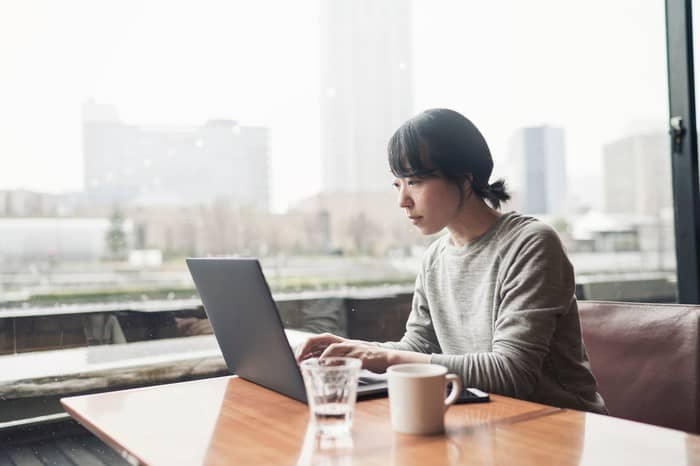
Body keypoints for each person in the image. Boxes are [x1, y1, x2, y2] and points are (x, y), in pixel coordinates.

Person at [296, 108, 607, 413]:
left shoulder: (531, 243)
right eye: (397, 184)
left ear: (465, 179)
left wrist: (385, 359)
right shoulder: (435, 258)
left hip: (558, 427)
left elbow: (512, 373)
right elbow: (419, 349)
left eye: (415, 181)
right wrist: (356, 351)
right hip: (490, 421)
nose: (402, 201)